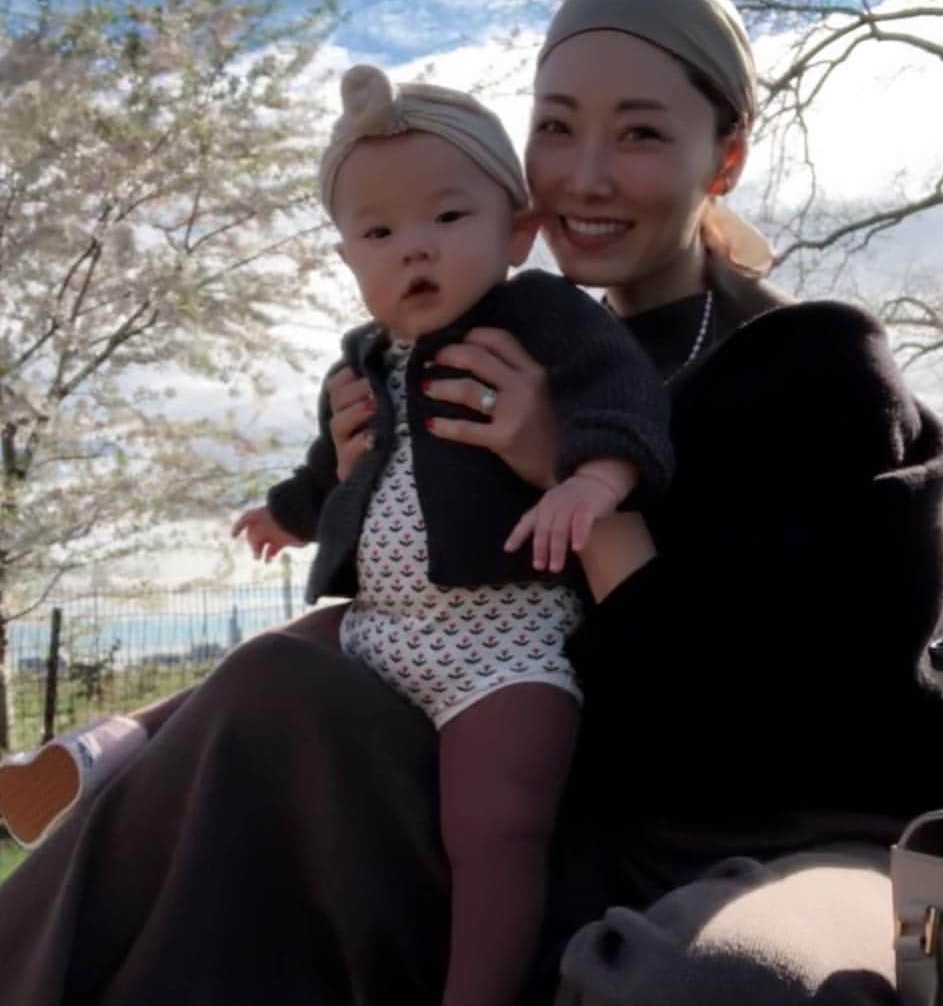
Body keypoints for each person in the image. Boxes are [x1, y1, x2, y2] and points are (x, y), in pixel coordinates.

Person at [0, 0, 943, 1006]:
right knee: (270, 694)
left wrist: (579, 477)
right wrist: (353, 468)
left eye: (640, 133)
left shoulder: (816, 369)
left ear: (725, 153)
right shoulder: (491, 345)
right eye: (556, 128)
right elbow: (433, 614)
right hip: (550, 826)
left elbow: (792, 731)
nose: (586, 175)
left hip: (788, 837)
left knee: (702, 979)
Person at [231, 62, 673, 1006]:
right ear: (349, 260)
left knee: (496, 823)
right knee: (257, 675)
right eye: (380, 232)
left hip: (503, 639)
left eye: (448, 219)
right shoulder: (362, 358)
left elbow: (621, 393)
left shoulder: (539, 315)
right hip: (381, 624)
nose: (414, 251)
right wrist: (285, 512)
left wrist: (592, 477)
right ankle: (110, 746)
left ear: (516, 229)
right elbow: (327, 471)